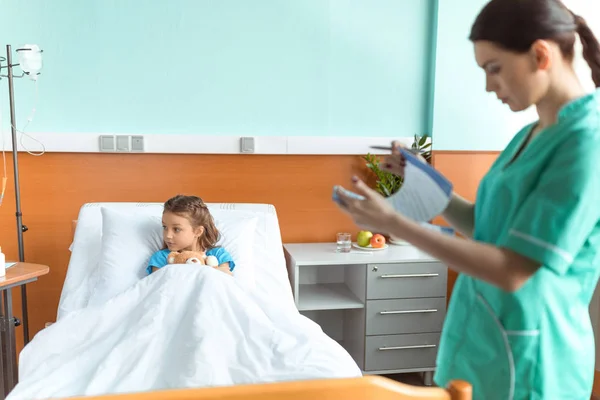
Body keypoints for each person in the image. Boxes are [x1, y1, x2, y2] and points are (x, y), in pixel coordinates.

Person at [335, 0, 600, 398]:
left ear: (540, 54)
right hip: (487, 341)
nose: (489, 85)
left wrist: (395, 223)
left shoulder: (586, 142)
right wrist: (424, 184)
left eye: (494, 68)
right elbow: (485, 226)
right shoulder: (532, 134)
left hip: (535, 359)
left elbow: (514, 269)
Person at [147, 195, 235, 276]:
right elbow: (158, 284)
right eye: (165, 227)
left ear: (198, 231)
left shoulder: (218, 254)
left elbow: (225, 279)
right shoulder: (162, 257)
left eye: (176, 229)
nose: (168, 235)